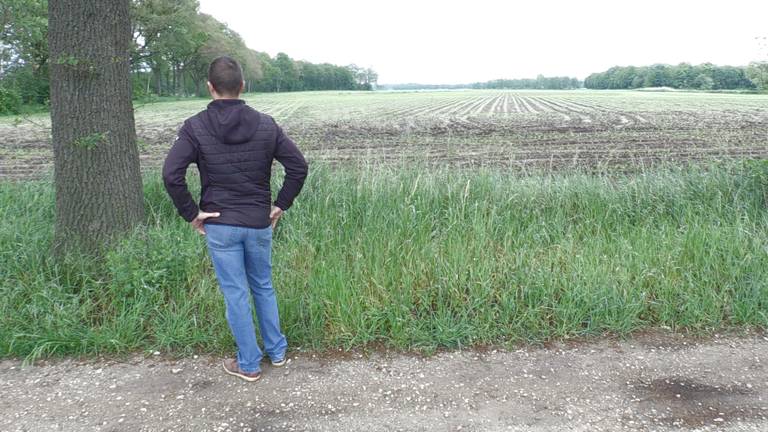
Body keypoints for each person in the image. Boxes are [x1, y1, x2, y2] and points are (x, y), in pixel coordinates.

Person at [162, 56, 308, 382]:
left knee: (236, 293)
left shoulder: (195, 126)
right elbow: (298, 166)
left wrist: (192, 213)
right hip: (258, 223)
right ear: (242, 86)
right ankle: (278, 351)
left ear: (210, 87)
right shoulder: (267, 124)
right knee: (263, 286)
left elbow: (172, 175)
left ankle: (249, 365)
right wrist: (280, 204)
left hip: (221, 224)